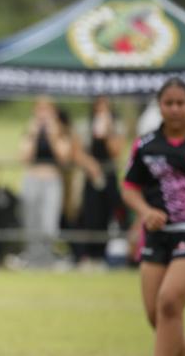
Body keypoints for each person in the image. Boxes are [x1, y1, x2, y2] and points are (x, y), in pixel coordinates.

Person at [122, 77, 185, 356]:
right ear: (159, 106)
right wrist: (145, 212)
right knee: (158, 316)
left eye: (181, 103)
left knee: (169, 302)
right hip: (156, 236)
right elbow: (130, 188)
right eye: (169, 103)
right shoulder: (146, 145)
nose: (175, 108)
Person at [13, 96, 72, 268]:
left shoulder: (60, 131)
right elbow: (24, 157)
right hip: (32, 178)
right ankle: (33, 257)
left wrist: (52, 134)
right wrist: (34, 133)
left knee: (49, 222)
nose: (43, 114)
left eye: (47, 110)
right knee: (31, 220)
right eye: (40, 109)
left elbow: (64, 157)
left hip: (51, 180)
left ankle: (48, 258)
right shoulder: (31, 130)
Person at [72, 96, 126, 265]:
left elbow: (116, 152)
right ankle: (88, 255)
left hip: (109, 177)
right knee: (89, 216)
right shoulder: (84, 125)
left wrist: (108, 130)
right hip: (90, 178)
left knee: (109, 214)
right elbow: (77, 152)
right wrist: (91, 165)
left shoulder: (117, 126)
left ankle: (104, 255)